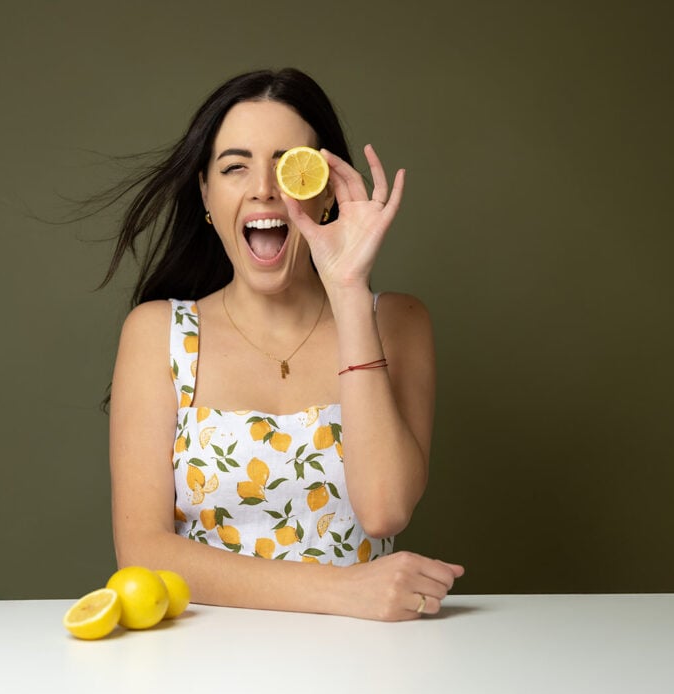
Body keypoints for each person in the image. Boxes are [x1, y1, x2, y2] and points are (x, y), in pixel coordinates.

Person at [102, 68, 464, 621]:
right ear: (205, 191)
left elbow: (386, 511)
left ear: (326, 190)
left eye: (288, 166)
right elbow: (143, 552)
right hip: (202, 659)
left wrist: (347, 289)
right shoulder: (158, 334)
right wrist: (343, 592)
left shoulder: (397, 321)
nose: (264, 188)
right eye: (235, 167)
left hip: (361, 661)